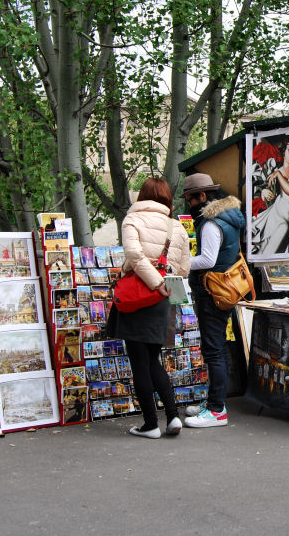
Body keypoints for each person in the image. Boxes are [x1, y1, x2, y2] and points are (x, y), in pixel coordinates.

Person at [107, 177, 191, 438]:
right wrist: (163, 282)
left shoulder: (133, 220)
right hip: (163, 299)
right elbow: (183, 268)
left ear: (142, 195)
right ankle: (174, 417)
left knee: (139, 364)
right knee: (153, 360)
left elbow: (134, 255)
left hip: (137, 297)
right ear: (166, 197)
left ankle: (150, 424)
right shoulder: (176, 228)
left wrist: (153, 281)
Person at [180, 172, 245, 428]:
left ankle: (217, 409)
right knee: (216, 348)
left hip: (212, 291)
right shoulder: (228, 217)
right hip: (224, 290)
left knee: (214, 350)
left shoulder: (210, 222)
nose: (189, 203)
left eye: (190, 199)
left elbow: (207, 259)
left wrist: (180, 265)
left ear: (203, 196)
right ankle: (213, 401)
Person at [250, 135, 289, 256]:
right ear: (283, 151)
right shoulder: (274, 169)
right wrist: (263, 192)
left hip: (286, 220)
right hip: (273, 215)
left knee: (270, 253)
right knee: (262, 253)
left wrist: (279, 175)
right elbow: (262, 191)